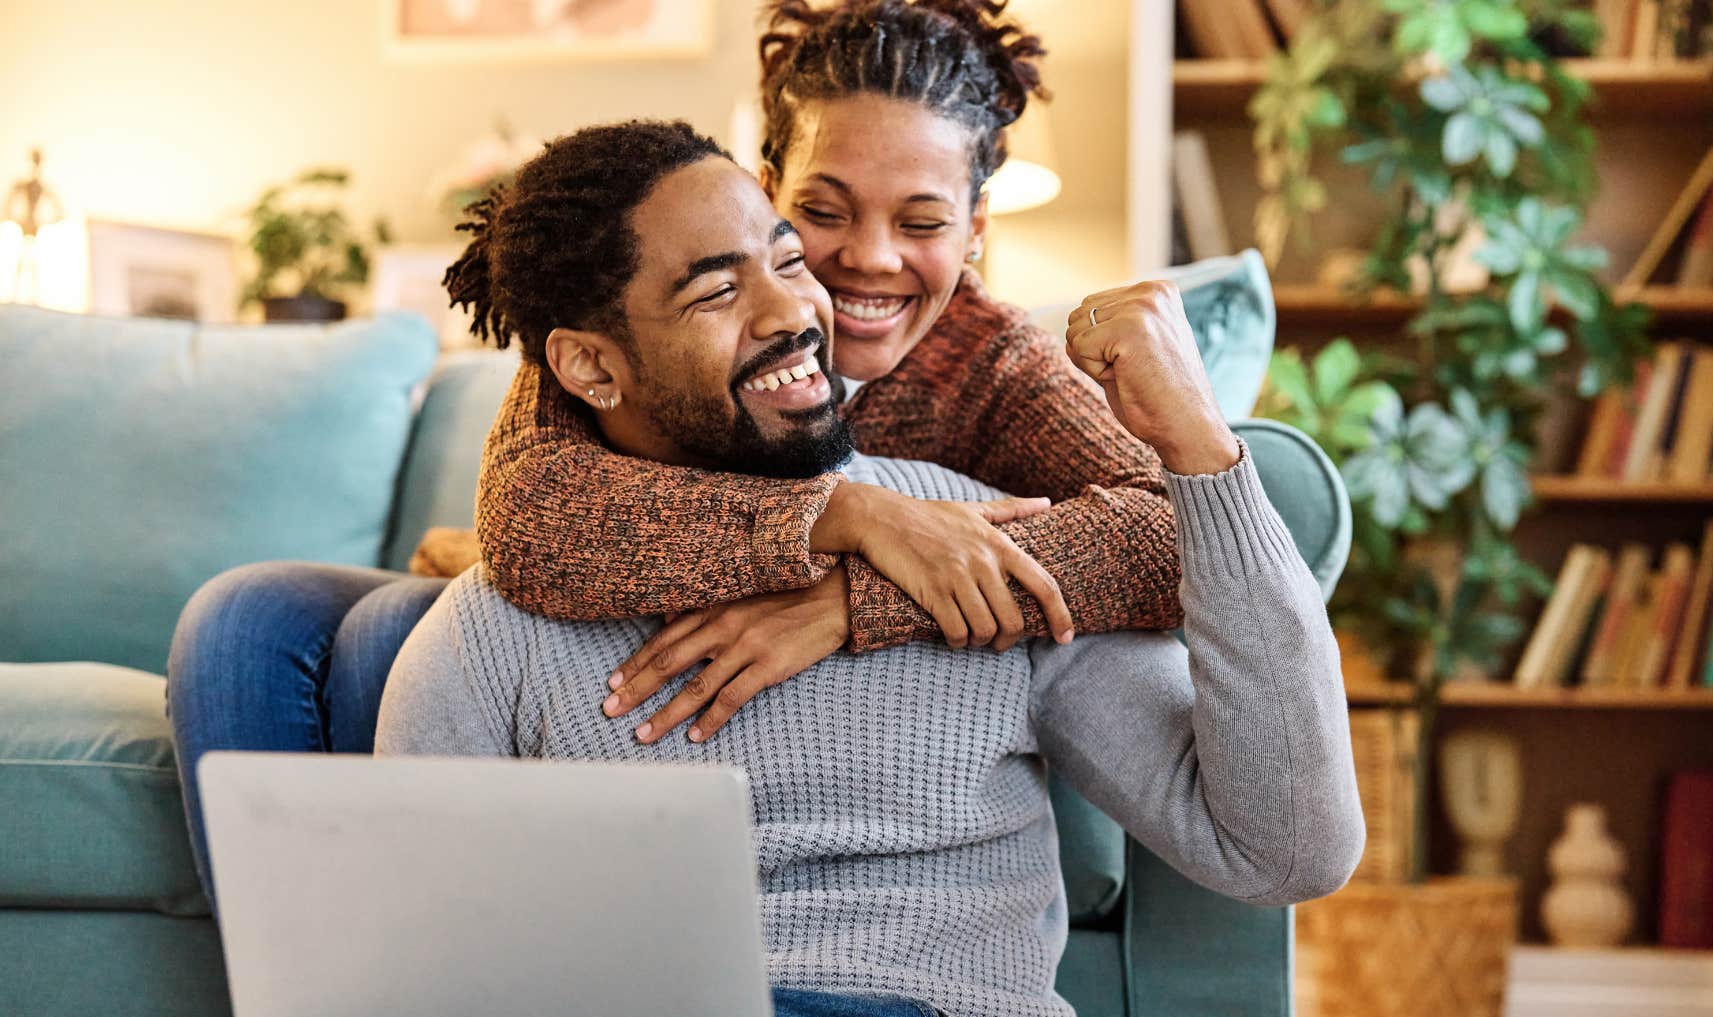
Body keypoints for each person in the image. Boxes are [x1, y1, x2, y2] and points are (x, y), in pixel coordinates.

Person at [375, 117, 1362, 1017]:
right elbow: (417, 980)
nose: (796, 312)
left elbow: (1286, 851)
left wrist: (1202, 451)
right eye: (719, 291)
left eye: (785, 258)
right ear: (591, 365)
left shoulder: (992, 552)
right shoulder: (503, 614)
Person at [167, 0, 1176, 898]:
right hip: (583, 615)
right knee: (248, 619)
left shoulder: (993, 362)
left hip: (783, 700)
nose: (867, 258)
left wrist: (856, 599)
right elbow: (532, 519)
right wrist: (856, 516)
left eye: (920, 222)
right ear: (764, 189)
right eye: (818, 215)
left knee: (389, 640)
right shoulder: (648, 328)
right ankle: (321, 998)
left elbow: (1177, 538)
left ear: (974, 229)